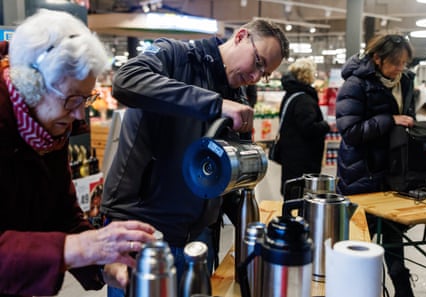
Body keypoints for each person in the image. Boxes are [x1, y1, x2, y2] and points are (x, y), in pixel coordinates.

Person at [100, 19, 289, 296]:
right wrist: (215, 104)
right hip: (143, 234)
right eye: (258, 62)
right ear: (240, 36)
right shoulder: (176, 56)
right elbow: (126, 81)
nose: (256, 77)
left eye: (265, 73)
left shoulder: (239, 97)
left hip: (198, 241)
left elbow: (227, 178)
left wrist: (259, 235)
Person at [0, 9, 158, 297]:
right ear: (30, 84)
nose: (79, 113)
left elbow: (61, 215)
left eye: (86, 99)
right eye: (72, 99)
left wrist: (104, 265)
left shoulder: (48, 132)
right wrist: (78, 248)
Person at [335, 34, 416, 297]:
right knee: (361, 248)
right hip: (362, 176)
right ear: (377, 58)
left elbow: (408, 119)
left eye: (404, 63)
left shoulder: (405, 81)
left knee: (394, 243)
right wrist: (390, 120)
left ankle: (403, 292)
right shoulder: (355, 84)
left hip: (393, 176)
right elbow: (350, 131)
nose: (400, 68)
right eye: (395, 62)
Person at [278, 57, 334, 196]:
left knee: (291, 190)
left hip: (290, 153)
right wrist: (326, 125)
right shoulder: (304, 99)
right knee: (301, 193)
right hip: (303, 157)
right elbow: (309, 128)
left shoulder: (291, 94)